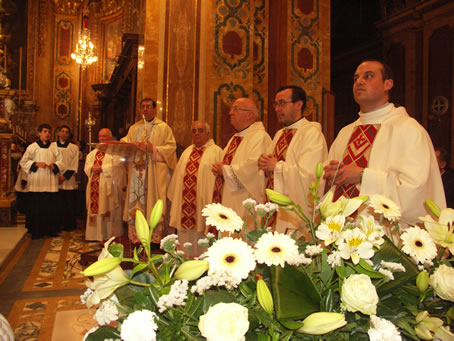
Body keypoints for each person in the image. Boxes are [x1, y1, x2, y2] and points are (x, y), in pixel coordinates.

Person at [324, 60, 446, 225]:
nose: (359, 81)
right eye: (355, 78)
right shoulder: (345, 133)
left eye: (368, 76)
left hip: (388, 238)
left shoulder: (408, 129)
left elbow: (417, 191)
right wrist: (330, 176)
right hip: (339, 236)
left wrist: (362, 176)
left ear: (388, 84)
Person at [258, 85, 328, 236]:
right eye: (275, 104)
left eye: (282, 103)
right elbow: (270, 169)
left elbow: (309, 176)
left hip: (295, 216)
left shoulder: (312, 133)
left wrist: (276, 167)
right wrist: (264, 165)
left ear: (298, 105)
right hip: (273, 210)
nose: (277, 109)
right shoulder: (279, 134)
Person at [121, 98, 177, 244]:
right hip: (136, 173)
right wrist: (124, 144)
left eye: (148, 107)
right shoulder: (134, 128)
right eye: (142, 107)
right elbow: (126, 142)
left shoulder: (163, 128)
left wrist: (154, 149)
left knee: (154, 201)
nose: (145, 109)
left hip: (154, 173)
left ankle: (155, 238)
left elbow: (171, 148)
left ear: (154, 109)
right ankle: (137, 237)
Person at [211, 97, 272, 222]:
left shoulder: (259, 137)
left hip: (245, 201)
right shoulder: (235, 137)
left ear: (249, 115)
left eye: (236, 109)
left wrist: (225, 170)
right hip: (229, 198)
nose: (230, 113)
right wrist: (219, 167)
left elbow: (253, 168)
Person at [168, 121, 223, 256]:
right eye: (194, 131)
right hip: (185, 209)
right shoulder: (187, 151)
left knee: (204, 239)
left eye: (200, 130)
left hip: (204, 205)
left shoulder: (217, 152)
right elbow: (176, 179)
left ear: (208, 133)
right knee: (185, 242)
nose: (197, 133)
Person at [19, 124, 63, 239]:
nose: (47, 134)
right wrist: (36, 164)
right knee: (37, 207)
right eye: (44, 131)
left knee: (50, 207)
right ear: (39, 133)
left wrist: (54, 166)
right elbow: (23, 162)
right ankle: (36, 231)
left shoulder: (54, 147)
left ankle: (51, 229)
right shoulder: (32, 147)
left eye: (49, 132)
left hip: (50, 181)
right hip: (36, 181)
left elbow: (61, 161)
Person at [85, 128, 126, 241]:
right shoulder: (92, 153)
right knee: (95, 209)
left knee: (109, 209)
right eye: (100, 136)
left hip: (108, 187)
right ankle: (94, 235)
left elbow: (118, 165)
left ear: (110, 137)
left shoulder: (115, 152)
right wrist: (92, 168)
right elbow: (87, 166)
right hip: (95, 185)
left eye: (104, 136)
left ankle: (109, 234)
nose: (102, 138)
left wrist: (102, 168)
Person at [53, 125, 79, 231]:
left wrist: (64, 177)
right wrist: (57, 175)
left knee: (68, 204)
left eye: (66, 132)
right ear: (58, 133)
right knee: (56, 204)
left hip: (69, 180)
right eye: (62, 131)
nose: (64, 134)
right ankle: (57, 224)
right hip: (55, 178)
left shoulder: (74, 148)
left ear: (69, 135)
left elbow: (74, 164)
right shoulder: (52, 146)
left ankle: (69, 224)